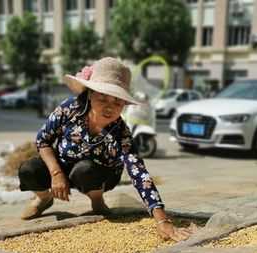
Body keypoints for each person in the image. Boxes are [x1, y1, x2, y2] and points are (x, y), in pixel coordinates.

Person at [18, 57, 191, 242]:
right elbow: (43, 140)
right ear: (91, 94)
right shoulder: (70, 109)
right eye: (103, 98)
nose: (110, 107)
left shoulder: (121, 132)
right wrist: (56, 173)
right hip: (62, 166)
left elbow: (139, 174)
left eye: (117, 102)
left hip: (98, 174)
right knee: (29, 169)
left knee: (85, 169)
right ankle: (43, 198)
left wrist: (162, 221)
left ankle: (97, 200)